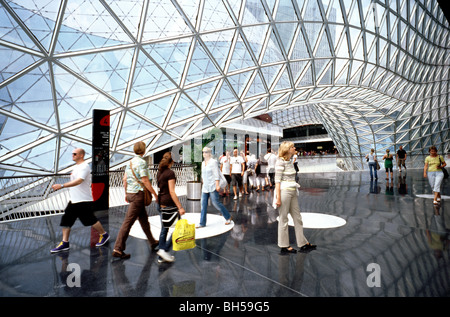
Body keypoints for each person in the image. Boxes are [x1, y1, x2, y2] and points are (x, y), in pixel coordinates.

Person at [51, 148, 109, 253]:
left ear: (81, 155)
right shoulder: (77, 167)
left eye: (74, 154)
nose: (72, 155)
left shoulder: (85, 167)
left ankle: (104, 235)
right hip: (74, 200)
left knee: (90, 220)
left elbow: (79, 181)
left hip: (83, 200)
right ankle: (65, 243)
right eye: (72, 153)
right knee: (66, 220)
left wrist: (62, 185)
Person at [112, 142, 159, 259]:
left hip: (131, 194)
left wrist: (126, 193)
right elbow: (145, 180)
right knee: (128, 222)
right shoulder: (142, 162)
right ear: (144, 150)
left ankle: (152, 242)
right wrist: (155, 194)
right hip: (138, 195)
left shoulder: (130, 162)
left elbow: (124, 179)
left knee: (144, 219)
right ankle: (118, 248)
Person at [275, 141, 316, 254]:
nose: (294, 148)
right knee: (283, 218)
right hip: (284, 192)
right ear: (287, 150)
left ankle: (302, 243)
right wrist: (278, 198)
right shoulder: (280, 162)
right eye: (292, 147)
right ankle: (284, 245)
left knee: (297, 218)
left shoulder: (289, 162)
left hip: (293, 191)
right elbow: (277, 181)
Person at [156, 152, 186, 263]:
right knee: (179, 228)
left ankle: (161, 255)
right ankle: (164, 250)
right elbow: (172, 192)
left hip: (161, 203)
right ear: (172, 161)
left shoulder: (159, 172)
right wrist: (180, 207)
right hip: (169, 205)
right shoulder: (170, 173)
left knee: (164, 229)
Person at [197, 147, 232, 228]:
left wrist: (217, 185)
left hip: (212, 185)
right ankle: (202, 223)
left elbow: (216, 174)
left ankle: (228, 217)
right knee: (203, 205)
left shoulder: (213, 162)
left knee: (216, 203)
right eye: (203, 152)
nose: (204, 154)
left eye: (205, 152)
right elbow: (203, 174)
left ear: (209, 153)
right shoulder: (203, 163)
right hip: (205, 187)